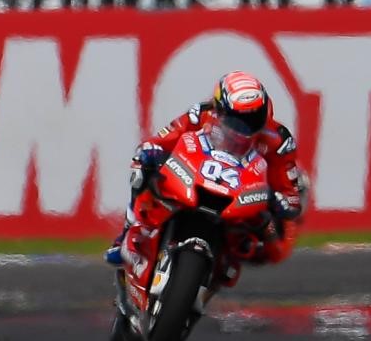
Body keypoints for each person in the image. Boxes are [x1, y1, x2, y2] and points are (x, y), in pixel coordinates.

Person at [107, 71, 309, 275]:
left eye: (254, 116)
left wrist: (281, 202)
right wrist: (150, 151)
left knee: (273, 244)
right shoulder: (200, 114)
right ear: (220, 110)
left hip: (243, 199)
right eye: (238, 119)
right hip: (199, 177)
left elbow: (290, 193)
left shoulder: (279, 140)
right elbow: (162, 139)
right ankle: (129, 234)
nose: (247, 126)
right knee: (143, 168)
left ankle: (222, 265)